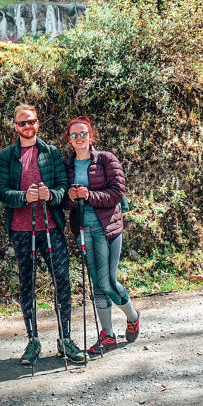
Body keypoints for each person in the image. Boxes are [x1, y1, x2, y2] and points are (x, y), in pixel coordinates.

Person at [0, 104, 85, 365]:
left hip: (51, 228)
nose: (27, 126)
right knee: (27, 285)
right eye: (22, 123)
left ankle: (65, 339)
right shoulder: (7, 155)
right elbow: (1, 190)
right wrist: (24, 197)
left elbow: (63, 187)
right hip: (21, 230)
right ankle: (33, 340)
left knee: (62, 282)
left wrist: (50, 195)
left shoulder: (51, 152)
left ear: (38, 123)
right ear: (15, 126)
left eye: (31, 121)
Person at [63, 116, 140, 353]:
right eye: (74, 135)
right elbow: (62, 201)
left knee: (107, 281)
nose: (79, 138)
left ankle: (133, 316)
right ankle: (108, 334)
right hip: (82, 229)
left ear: (91, 136)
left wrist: (89, 195)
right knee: (97, 283)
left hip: (107, 229)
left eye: (83, 133)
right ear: (69, 139)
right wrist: (70, 198)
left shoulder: (106, 159)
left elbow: (117, 193)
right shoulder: (66, 165)